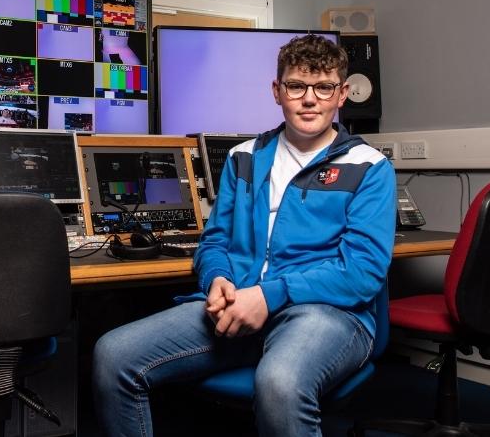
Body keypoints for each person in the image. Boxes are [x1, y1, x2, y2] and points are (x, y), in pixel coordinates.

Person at [92, 34, 396, 436]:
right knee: (113, 355)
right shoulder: (244, 158)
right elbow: (214, 241)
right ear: (277, 91)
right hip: (238, 303)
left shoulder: (369, 166)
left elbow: (361, 272)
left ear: (341, 95)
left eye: (324, 87)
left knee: (280, 383)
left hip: (328, 313)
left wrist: (269, 296)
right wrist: (216, 279)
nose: (310, 99)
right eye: (296, 86)